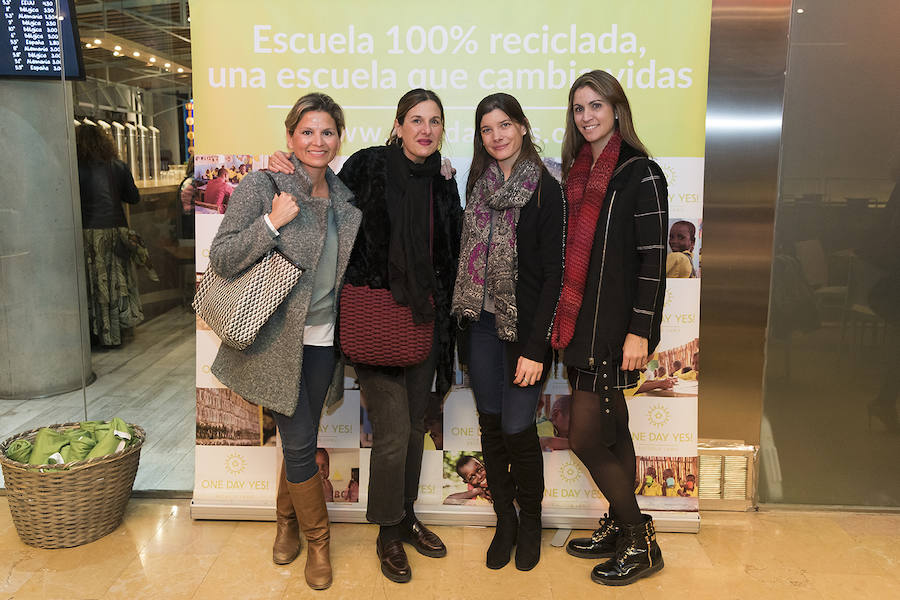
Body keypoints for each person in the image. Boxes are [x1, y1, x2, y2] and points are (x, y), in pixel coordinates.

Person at [268, 89, 463, 584]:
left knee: (415, 428)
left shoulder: (445, 183)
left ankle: (407, 513)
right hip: (374, 321)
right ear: (397, 126)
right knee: (395, 432)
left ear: (442, 129)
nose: (425, 129)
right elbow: (318, 189)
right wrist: (283, 164)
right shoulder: (367, 166)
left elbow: (451, 253)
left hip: (425, 324)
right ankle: (388, 532)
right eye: (415, 120)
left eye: (434, 121)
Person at [208, 93, 361, 590]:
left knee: (300, 439)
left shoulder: (343, 199)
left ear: (339, 138)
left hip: (323, 342)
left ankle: (286, 521)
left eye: (327, 132)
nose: (318, 141)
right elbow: (224, 255)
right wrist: (272, 221)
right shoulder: (263, 183)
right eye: (307, 131)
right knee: (299, 442)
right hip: (276, 344)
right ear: (290, 137)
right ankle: (318, 544)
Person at [550, 70, 668, 586]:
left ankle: (637, 541)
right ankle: (626, 527)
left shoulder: (640, 172)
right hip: (579, 324)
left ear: (617, 109)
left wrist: (640, 331)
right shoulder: (576, 173)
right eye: (579, 108)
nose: (587, 116)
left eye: (596, 105)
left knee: (586, 438)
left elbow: (653, 259)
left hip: (616, 329)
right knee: (613, 428)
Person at [452, 93, 565, 571]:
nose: (496, 136)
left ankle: (533, 520)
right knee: (493, 428)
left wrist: (537, 347)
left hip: (524, 334)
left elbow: (554, 276)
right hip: (479, 326)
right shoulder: (476, 185)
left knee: (520, 428)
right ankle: (505, 520)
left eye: (504, 125)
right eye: (486, 129)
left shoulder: (546, 187)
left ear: (522, 127)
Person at [76, 124, 144, 347]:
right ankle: (115, 333)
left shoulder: (73, 168)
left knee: (94, 282)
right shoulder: (118, 166)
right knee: (115, 282)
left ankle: (95, 333)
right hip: (115, 230)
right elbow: (133, 198)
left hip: (87, 233)